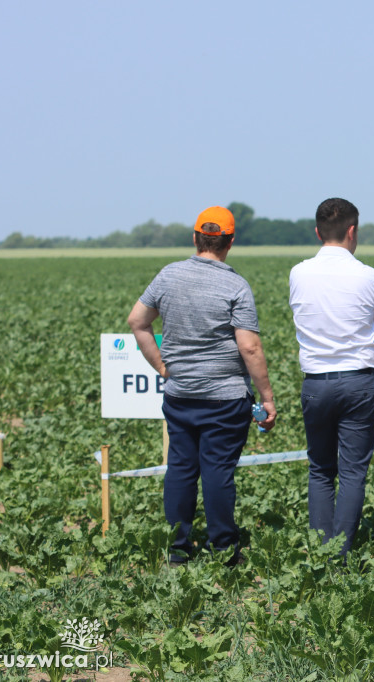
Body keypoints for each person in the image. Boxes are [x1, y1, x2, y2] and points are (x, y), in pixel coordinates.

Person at [127, 206, 277, 566]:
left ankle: (177, 548)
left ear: (195, 239)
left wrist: (163, 367)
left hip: (180, 393)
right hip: (225, 398)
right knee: (217, 471)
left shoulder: (168, 276)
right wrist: (267, 397)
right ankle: (223, 548)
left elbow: (137, 322)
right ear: (230, 242)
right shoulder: (234, 285)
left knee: (180, 468)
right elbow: (250, 346)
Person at [289, 198, 374, 555]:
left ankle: (320, 552)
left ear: (317, 233)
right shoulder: (368, 275)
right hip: (359, 380)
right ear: (352, 231)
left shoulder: (298, 273)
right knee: (352, 472)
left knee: (320, 470)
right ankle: (341, 551)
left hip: (316, 381)